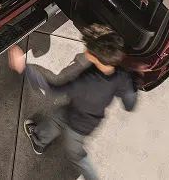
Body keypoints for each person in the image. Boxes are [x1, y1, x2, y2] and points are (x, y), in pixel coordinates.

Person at [8, 24, 137, 180]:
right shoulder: (123, 75)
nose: (85, 51)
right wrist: (135, 80)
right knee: (56, 118)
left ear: (95, 57)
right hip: (91, 119)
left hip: (77, 125)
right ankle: (39, 139)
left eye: (88, 49)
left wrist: (24, 68)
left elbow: (52, 90)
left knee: (75, 153)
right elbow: (129, 104)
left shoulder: (84, 83)